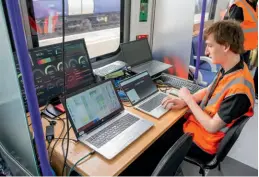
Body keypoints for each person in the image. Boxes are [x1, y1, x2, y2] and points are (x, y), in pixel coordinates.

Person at [161, 20, 255, 162]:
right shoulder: (233, 67)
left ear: (226, 47)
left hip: (205, 144)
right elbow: (208, 89)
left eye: (210, 46)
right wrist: (182, 101)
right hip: (198, 128)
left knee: (155, 142)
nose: (206, 51)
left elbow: (212, 127)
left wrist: (188, 100)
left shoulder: (239, 91)